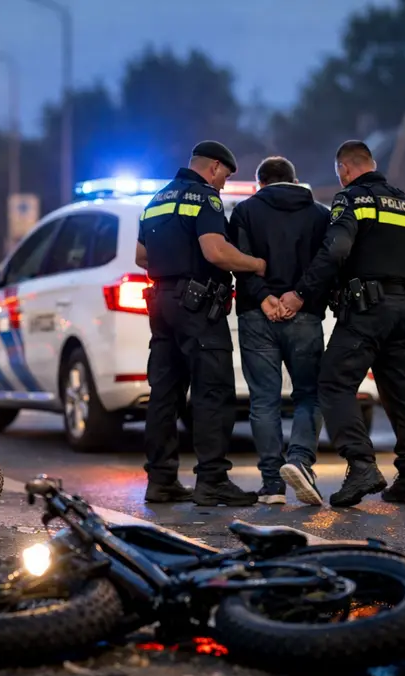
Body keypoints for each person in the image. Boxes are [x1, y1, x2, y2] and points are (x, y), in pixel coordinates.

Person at [289, 140, 405, 507]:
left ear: (344, 169)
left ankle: (361, 466)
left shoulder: (351, 199)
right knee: (402, 392)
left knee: (333, 383)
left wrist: (303, 292)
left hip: (366, 311)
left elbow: (336, 250)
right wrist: (392, 266)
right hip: (404, 310)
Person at [136, 140, 266, 507]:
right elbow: (215, 251)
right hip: (197, 307)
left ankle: (161, 481)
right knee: (213, 390)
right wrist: (257, 264)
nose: (224, 183)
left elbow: (142, 256)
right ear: (214, 167)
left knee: (164, 393)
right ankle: (212, 481)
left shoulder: (155, 201)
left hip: (161, 304)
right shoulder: (206, 198)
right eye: (225, 175)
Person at [228, 156, 329, 506]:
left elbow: (238, 262)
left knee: (264, 400)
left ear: (260, 184)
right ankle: (299, 461)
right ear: (295, 180)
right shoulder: (319, 214)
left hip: (257, 316)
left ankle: (272, 484)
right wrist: (298, 296)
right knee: (309, 394)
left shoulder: (244, 212)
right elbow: (325, 264)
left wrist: (264, 297)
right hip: (305, 314)